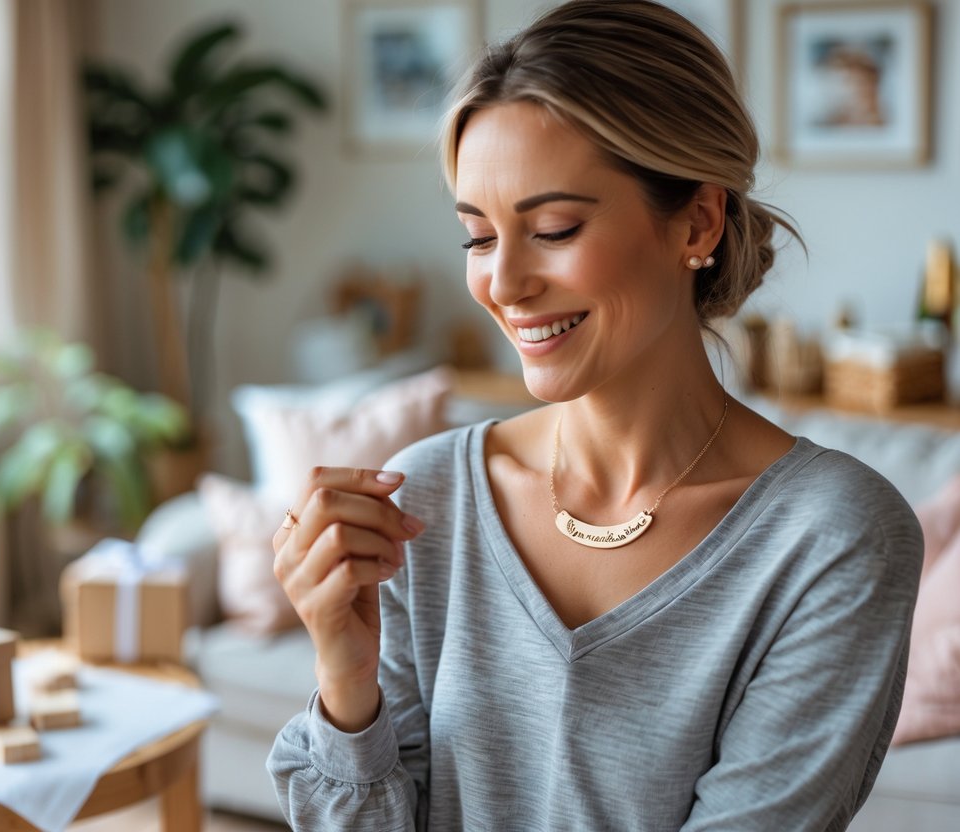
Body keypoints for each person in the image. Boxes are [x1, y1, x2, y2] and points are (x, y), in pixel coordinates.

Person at [266, 1, 923, 829]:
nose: (501, 284)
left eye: (552, 228)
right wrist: (344, 679)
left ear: (697, 220)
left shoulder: (831, 539)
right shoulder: (426, 502)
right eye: (476, 237)